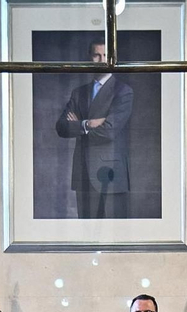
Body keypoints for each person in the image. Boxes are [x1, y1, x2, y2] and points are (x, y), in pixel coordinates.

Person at [53, 39, 133, 219]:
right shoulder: (78, 92)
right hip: (83, 173)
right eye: (97, 55)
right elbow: (62, 127)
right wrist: (87, 123)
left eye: (106, 56)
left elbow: (109, 131)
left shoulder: (123, 91)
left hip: (111, 174)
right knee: (86, 233)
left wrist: (78, 124)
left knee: (115, 235)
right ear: (89, 58)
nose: (102, 60)